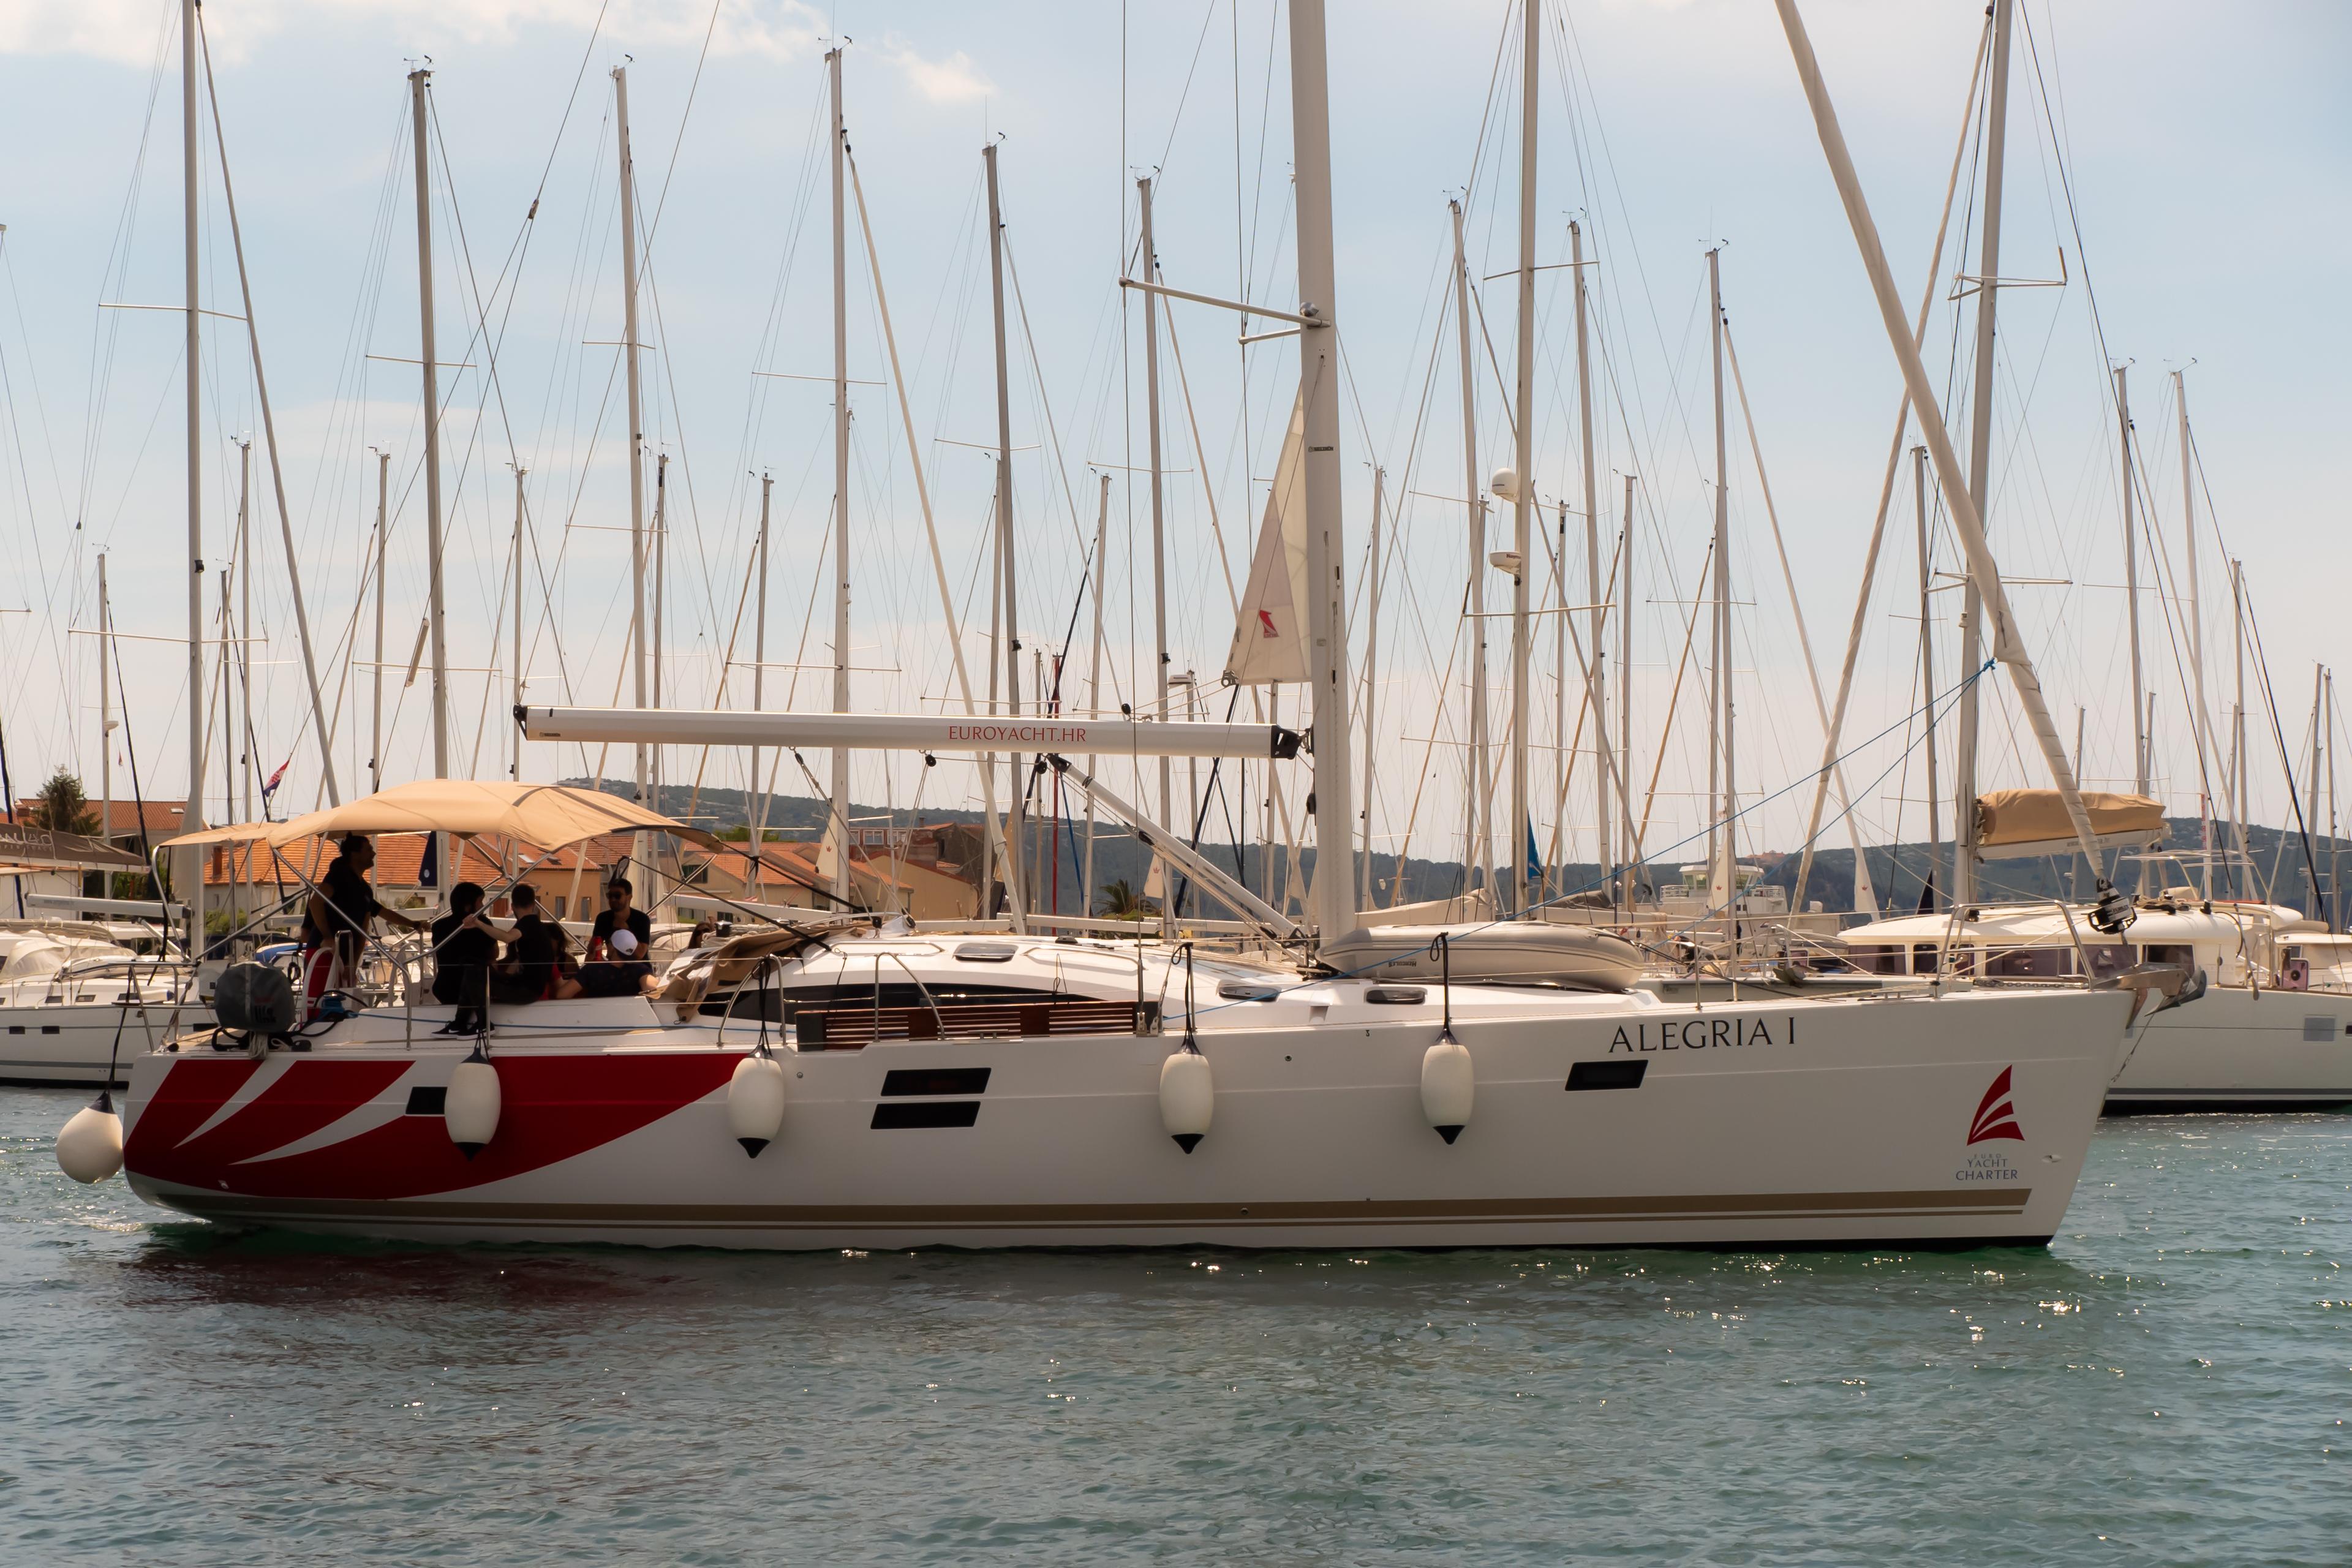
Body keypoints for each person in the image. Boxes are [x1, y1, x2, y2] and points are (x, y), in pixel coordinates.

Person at [301, 834, 427, 1008]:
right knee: (317, 1003)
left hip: (345, 958)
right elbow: (316, 902)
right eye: (369, 850)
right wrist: (328, 937)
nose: (374, 854)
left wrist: (414, 925)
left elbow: (372, 922)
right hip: (325, 951)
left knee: (341, 1005)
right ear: (354, 854)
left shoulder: (364, 889)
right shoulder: (337, 877)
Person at [430, 881, 510, 1034]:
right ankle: (481, 1023)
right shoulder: (482, 924)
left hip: (445, 988)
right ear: (468, 906)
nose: (483, 906)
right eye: (480, 902)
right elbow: (494, 954)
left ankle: (459, 1023)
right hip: (474, 991)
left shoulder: (439, 926)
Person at [492, 881, 578, 1003]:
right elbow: (560, 990)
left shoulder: (515, 962)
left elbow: (508, 938)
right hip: (538, 1002)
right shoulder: (544, 961)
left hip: (529, 1000)